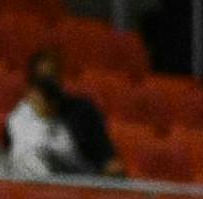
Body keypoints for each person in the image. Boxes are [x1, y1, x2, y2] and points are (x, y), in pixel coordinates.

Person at [8, 47, 121, 178]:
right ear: (30, 88)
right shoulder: (19, 118)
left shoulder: (83, 111)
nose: (47, 88)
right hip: (38, 182)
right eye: (41, 83)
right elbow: (18, 160)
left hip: (81, 180)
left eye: (52, 79)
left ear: (60, 79)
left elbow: (110, 164)